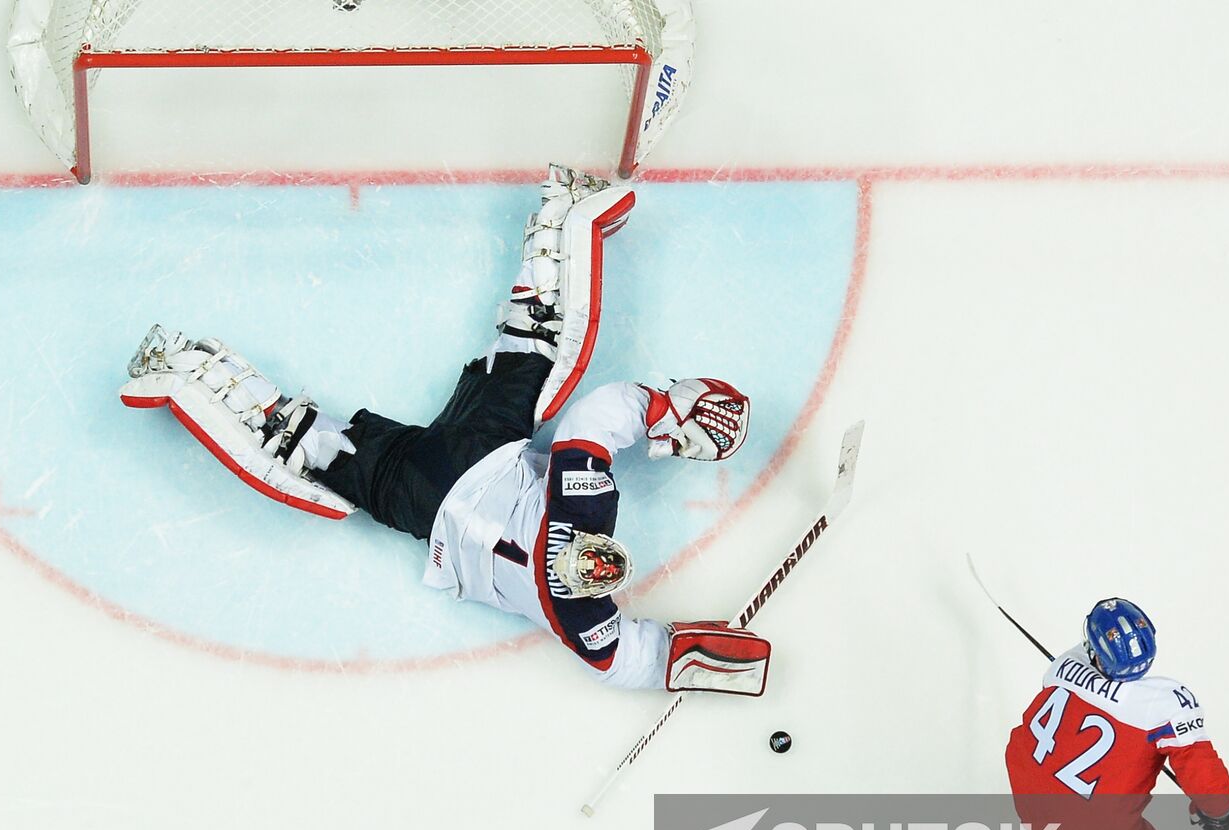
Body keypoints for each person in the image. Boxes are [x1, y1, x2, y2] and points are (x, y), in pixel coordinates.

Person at [118, 165, 771, 695]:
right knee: (304, 442)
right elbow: (621, 663)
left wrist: (668, 413)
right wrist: (686, 663)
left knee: (531, 341)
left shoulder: (587, 509)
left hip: (477, 448)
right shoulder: (575, 611)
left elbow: (598, 418)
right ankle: (186, 368)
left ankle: (566, 209)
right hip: (425, 500)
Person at [1005, 598, 1229, 830]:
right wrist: (1220, 810)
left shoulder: (1063, 666)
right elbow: (1202, 771)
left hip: (1029, 806)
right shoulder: (1166, 703)